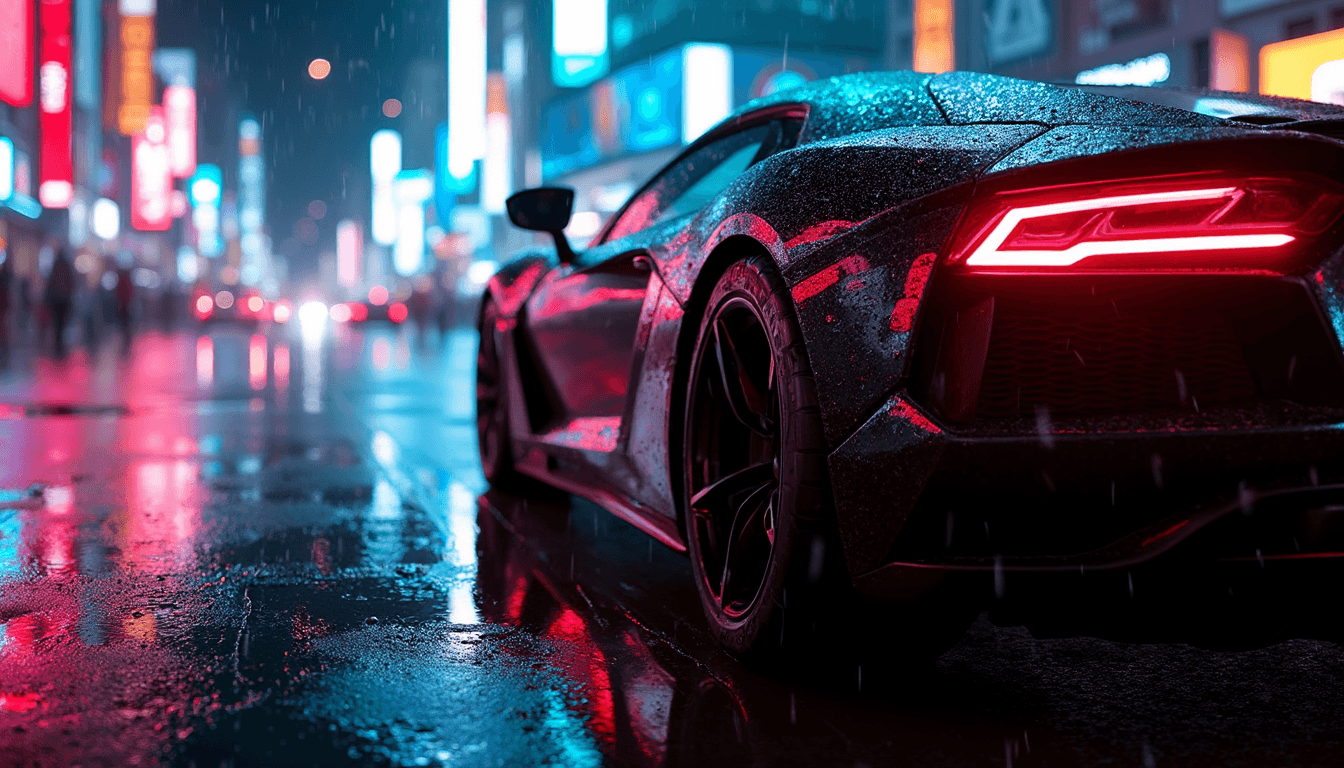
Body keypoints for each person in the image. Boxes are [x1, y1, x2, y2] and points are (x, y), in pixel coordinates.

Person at [45, 248, 75, 356]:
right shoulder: (66, 267)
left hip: (56, 300)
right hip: (64, 300)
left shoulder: (56, 267)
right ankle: (60, 346)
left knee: (57, 324)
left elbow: (50, 284)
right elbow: (71, 282)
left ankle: (58, 346)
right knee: (61, 324)